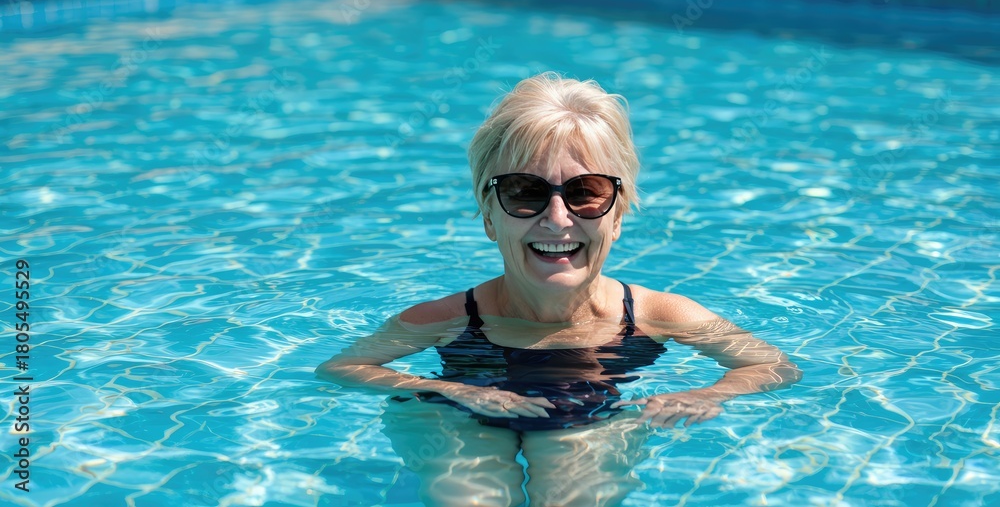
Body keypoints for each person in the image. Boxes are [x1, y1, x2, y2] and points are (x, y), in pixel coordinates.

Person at [316, 72, 802, 507]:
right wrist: (449, 388)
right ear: (488, 216)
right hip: (459, 416)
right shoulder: (446, 319)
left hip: (592, 419)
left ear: (617, 217)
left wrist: (705, 393)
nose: (556, 218)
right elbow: (342, 369)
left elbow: (772, 366)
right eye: (524, 192)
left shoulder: (658, 313)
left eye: (586, 192)